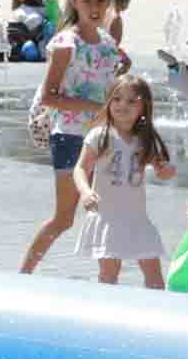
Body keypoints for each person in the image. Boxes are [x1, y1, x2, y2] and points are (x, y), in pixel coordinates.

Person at [20, 0, 122, 275]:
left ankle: (109, 282)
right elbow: (50, 97)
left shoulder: (106, 41)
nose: (94, 6)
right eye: (87, 0)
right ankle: (23, 275)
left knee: (108, 212)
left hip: (101, 135)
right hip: (70, 136)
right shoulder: (66, 43)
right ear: (74, 2)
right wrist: (93, 107)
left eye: (101, 0)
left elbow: (108, 85)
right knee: (64, 217)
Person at [75, 73, 175, 288]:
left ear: (144, 107)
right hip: (108, 217)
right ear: (109, 102)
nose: (123, 105)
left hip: (137, 218)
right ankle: (105, 313)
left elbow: (164, 172)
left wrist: (166, 170)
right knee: (109, 274)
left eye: (132, 101)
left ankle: (157, 313)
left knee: (154, 274)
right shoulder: (99, 135)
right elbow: (81, 168)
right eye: (117, 99)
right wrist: (85, 191)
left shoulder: (144, 140)